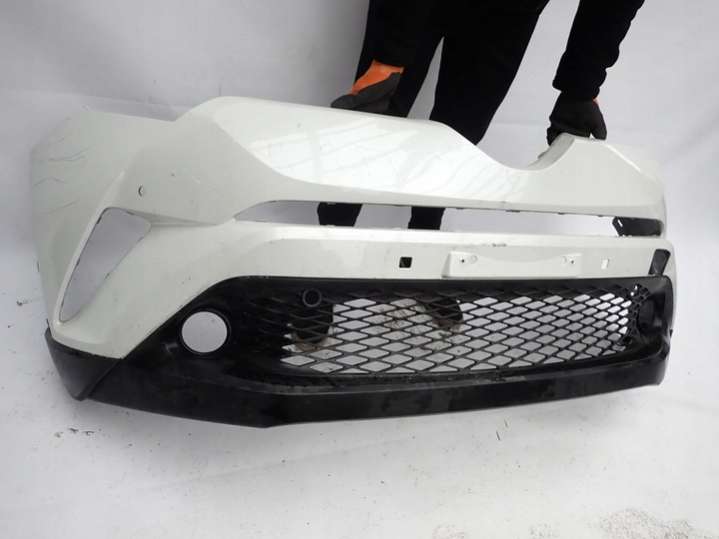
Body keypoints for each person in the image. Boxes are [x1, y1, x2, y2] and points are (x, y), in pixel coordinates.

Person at [319, 0, 645, 230]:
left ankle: (424, 250)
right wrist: (390, 55)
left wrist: (581, 88)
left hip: (508, 14)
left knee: (460, 136)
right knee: (373, 121)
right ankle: (326, 252)